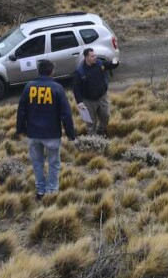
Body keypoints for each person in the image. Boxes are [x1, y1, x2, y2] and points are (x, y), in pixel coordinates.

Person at [16, 59, 77, 200]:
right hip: (51, 134)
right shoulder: (57, 88)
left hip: (33, 134)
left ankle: (40, 191)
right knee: (54, 163)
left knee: (37, 163)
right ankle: (52, 191)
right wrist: (70, 134)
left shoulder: (29, 87)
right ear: (51, 71)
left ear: (39, 71)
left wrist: (20, 129)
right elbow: (66, 114)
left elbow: (21, 110)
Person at [72, 48, 111, 137]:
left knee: (106, 115)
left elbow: (107, 65)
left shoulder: (99, 63)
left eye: (95, 55)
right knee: (90, 122)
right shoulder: (80, 71)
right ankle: (92, 139)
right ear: (86, 57)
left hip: (102, 97)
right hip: (88, 100)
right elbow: (76, 87)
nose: (95, 57)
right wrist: (79, 101)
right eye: (92, 56)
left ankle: (102, 131)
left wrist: (114, 63)